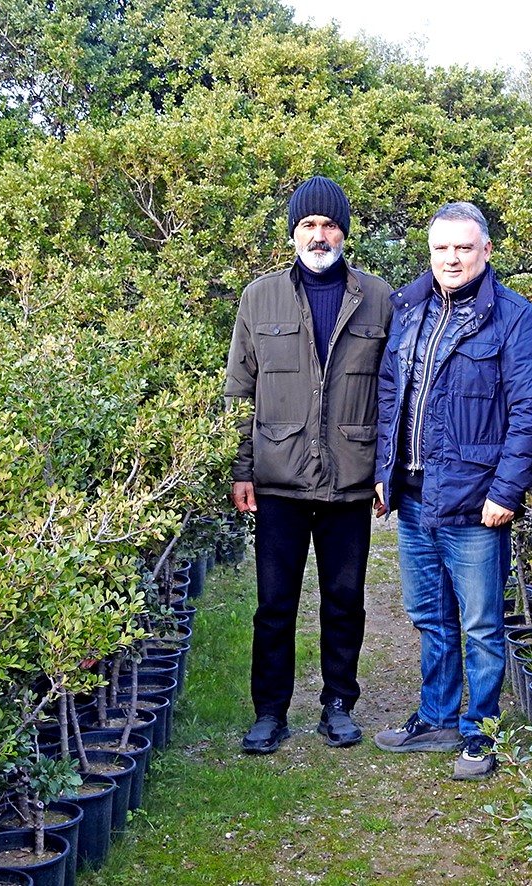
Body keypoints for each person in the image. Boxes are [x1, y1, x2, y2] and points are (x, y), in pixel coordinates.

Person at [372, 201, 532, 780]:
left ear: (486, 251)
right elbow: (389, 400)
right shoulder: (408, 309)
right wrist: (384, 473)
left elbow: (531, 409)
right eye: (441, 248)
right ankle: (436, 717)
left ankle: (480, 732)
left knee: (479, 623)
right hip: (415, 496)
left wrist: (507, 489)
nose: (451, 259)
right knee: (429, 614)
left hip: (478, 502)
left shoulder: (517, 319)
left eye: (463, 248)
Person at [226, 175, 393, 754]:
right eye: (307, 226)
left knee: (344, 600)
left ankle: (338, 704)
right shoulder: (259, 297)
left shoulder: (378, 297)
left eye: (328, 225)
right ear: (293, 232)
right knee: (274, 603)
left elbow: (392, 390)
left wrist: (384, 469)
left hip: (350, 479)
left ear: (345, 231)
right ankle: (270, 713)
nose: (318, 236)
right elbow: (239, 393)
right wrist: (241, 468)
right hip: (278, 480)